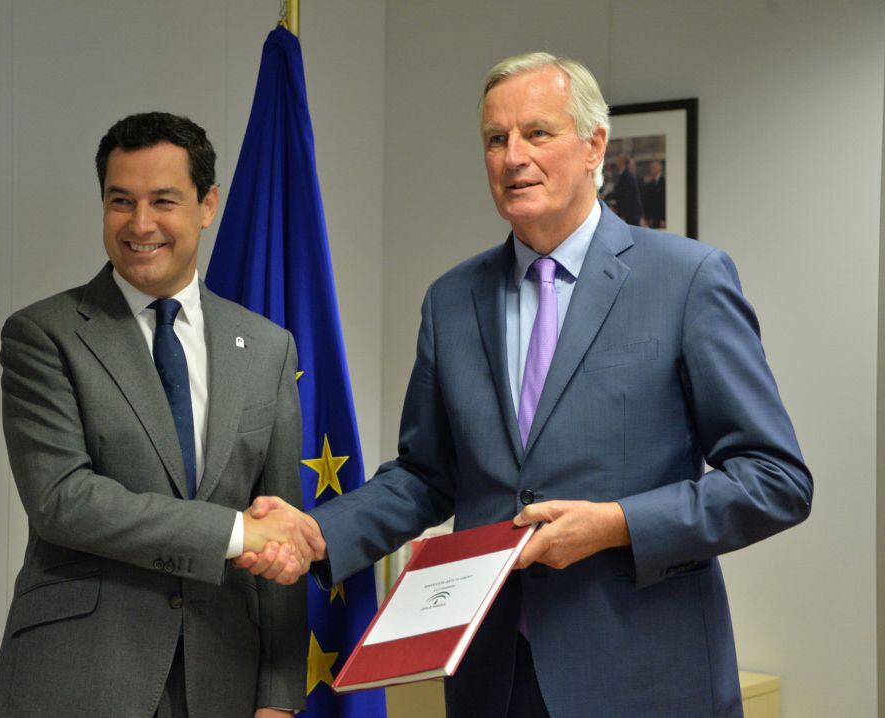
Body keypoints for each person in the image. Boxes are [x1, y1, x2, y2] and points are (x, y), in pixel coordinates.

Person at [239, 53, 811, 717]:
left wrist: (616, 525)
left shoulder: (686, 279)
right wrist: (316, 532)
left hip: (645, 677)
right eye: (495, 138)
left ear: (595, 145)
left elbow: (775, 479)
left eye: (537, 133)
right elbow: (426, 475)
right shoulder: (452, 299)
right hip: (492, 680)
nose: (514, 156)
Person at [0, 112, 312, 718]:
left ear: (207, 204)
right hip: (81, 677)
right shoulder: (43, 335)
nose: (140, 225)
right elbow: (64, 501)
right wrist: (235, 533)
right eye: (120, 201)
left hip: (226, 681)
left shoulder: (268, 348)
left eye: (164, 200)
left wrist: (279, 696)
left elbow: (281, 523)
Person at [607, 152, 644, 226]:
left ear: (622, 162)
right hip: (630, 213)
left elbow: (625, 196)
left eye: (618, 160)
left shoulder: (626, 175)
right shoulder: (624, 175)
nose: (616, 162)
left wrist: (621, 212)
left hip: (631, 214)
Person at [642, 159, 667, 228]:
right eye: (651, 168)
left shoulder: (664, 183)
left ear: (660, 169)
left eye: (654, 168)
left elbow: (664, 203)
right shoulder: (648, 185)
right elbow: (646, 203)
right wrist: (646, 218)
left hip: (661, 219)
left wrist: (663, 218)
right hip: (652, 219)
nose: (652, 170)